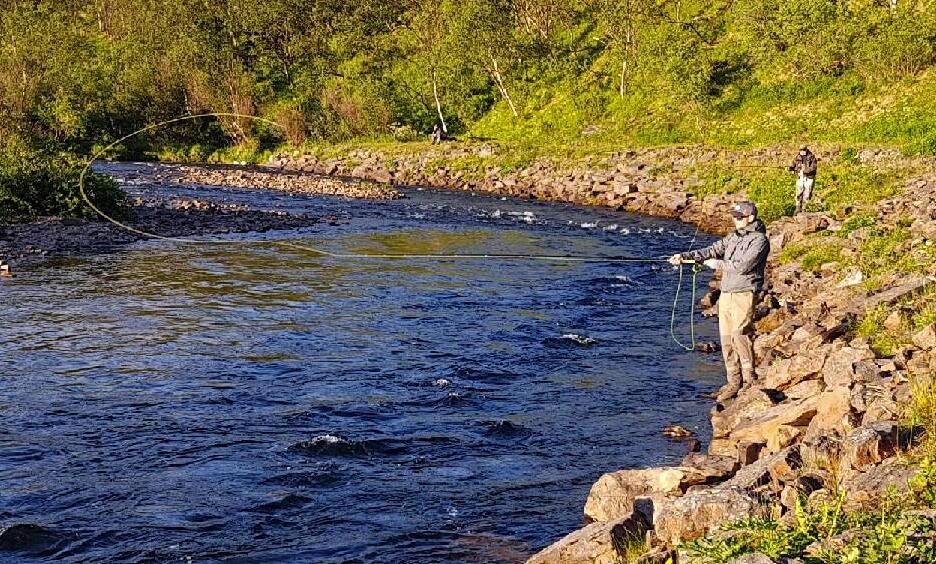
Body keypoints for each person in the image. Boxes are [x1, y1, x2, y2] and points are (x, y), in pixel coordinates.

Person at [669, 201, 770, 403]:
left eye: (739, 216)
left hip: (744, 292)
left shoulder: (760, 241)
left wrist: (718, 264)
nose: (735, 219)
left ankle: (750, 380)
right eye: (734, 216)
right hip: (726, 293)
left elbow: (743, 266)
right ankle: (733, 382)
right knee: (726, 339)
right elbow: (712, 250)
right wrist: (685, 257)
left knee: (740, 335)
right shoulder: (733, 237)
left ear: (750, 218)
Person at [789, 145, 817, 214]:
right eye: (801, 150)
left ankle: (805, 208)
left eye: (803, 149)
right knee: (798, 193)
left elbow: (813, 167)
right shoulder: (797, 157)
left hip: (809, 178)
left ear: (806, 149)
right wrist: (790, 168)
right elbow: (793, 164)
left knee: (807, 194)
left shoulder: (812, 157)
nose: (802, 151)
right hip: (800, 177)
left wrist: (805, 170)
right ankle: (798, 208)